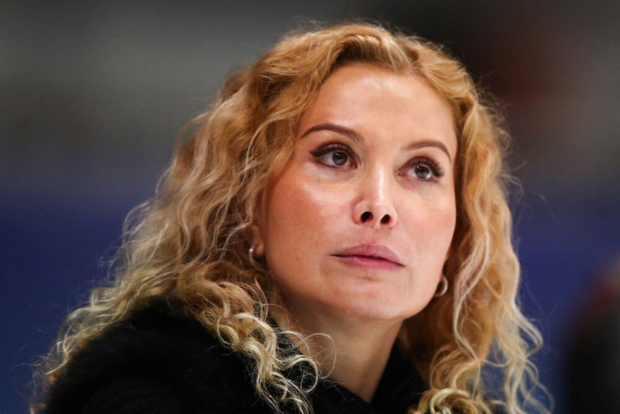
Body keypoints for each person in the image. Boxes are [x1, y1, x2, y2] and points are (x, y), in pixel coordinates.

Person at [32, 23, 550, 414]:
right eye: (336, 156)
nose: (380, 205)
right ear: (249, 206)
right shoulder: (146, 397)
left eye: (422, 169)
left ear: (458, 237)